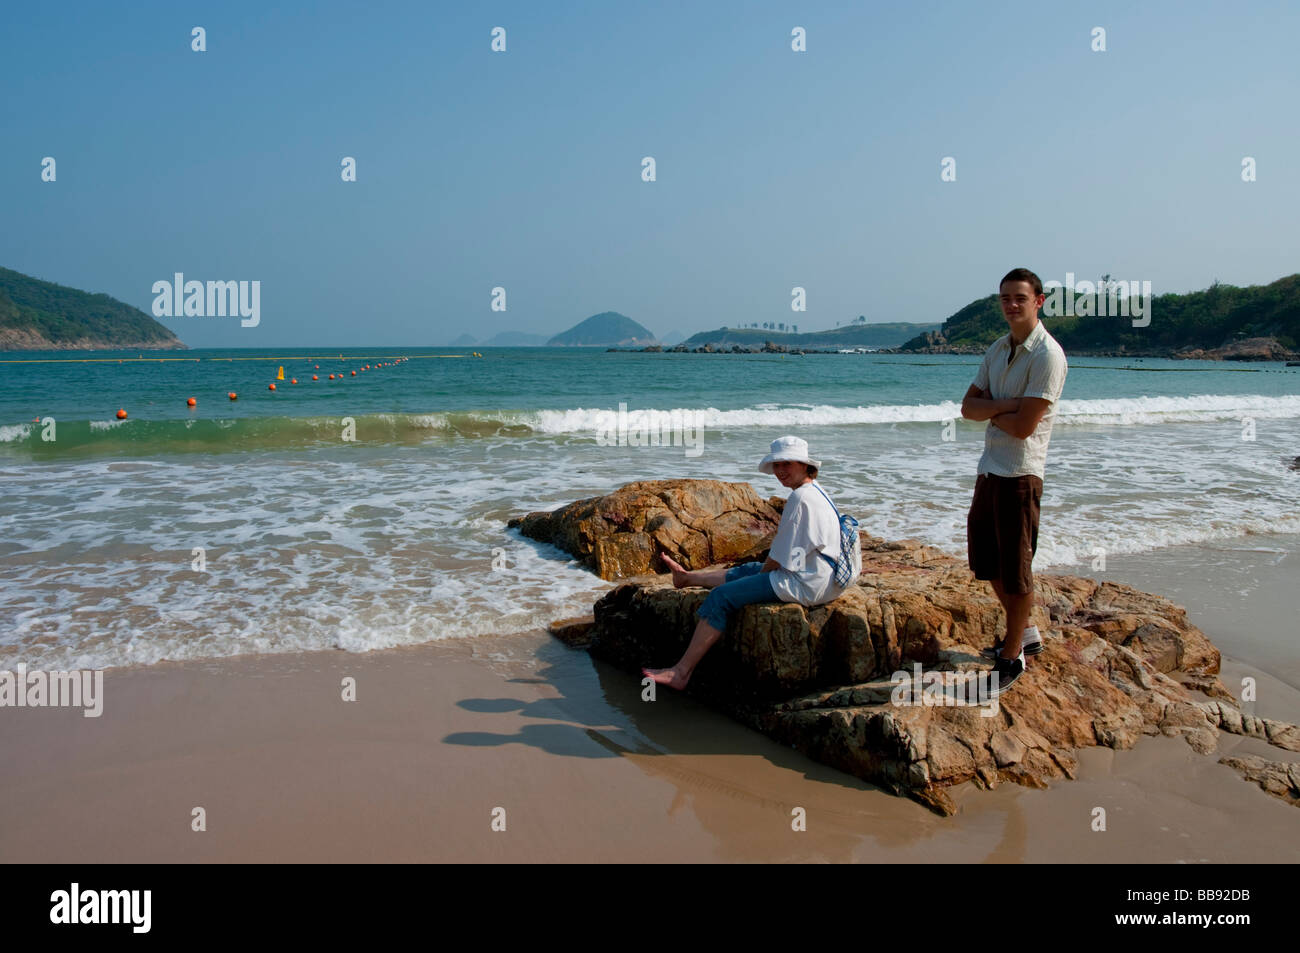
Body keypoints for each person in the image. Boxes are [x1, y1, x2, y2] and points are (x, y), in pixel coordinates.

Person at [642, 435, 849, 690]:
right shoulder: (816, 491)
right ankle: (687, 578)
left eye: (787, 464)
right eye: (777, 465)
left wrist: (761, 577)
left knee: (721, 598)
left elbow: (779, 557)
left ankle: (681, 673)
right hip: (826, 576)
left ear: (805, 465)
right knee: (749, 570)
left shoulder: (800, 499)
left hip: (809, 583)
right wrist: (759, 573)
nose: (780, 471)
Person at [960, 267, 1068, 695]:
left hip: (1021, 474)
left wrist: (995, 409)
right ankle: (1026, 632)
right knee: (985, 562)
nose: (1011, 305)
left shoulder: (1048, 356)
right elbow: (968, 407)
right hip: (990, 467)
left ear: (1038, 301)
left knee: (1017, 571)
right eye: (1005, 298)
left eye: (1020, 298)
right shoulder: (998, 348)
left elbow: (1024, 428)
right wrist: (1007, 405)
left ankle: (1012, 656)